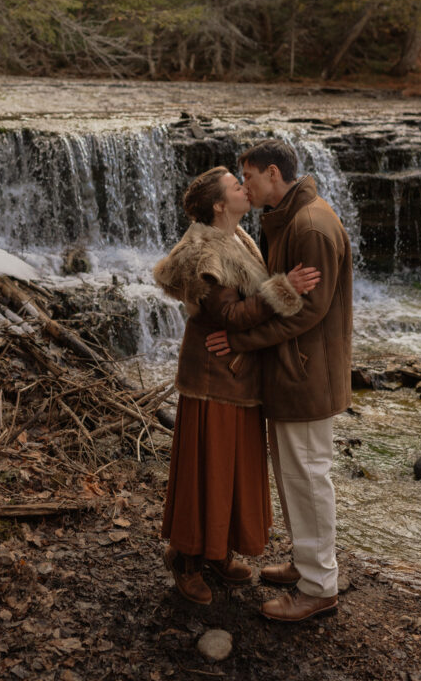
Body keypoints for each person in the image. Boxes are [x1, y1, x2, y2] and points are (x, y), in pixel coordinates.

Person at [153, 165, 321, 606]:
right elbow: (227, 318)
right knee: (208, 468)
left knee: (230, 469)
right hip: (214, 376)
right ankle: (185, 559)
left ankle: (216, 552)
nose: (245, 188)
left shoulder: (237, 237)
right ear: (219, 205)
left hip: (237, 373)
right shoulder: (203, 253)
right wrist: (284, 290)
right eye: (235, 186)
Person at [206, 138, 353, 623]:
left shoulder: (310, 225)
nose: (244, 187)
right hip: (294, 371)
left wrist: (242, 342)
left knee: (309, 477)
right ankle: (306, 565)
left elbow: (306, 314)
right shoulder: (293, 217)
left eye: (248, 177)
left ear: (273, 174)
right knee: (296, 475)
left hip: (305, 374)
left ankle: (318, 589)